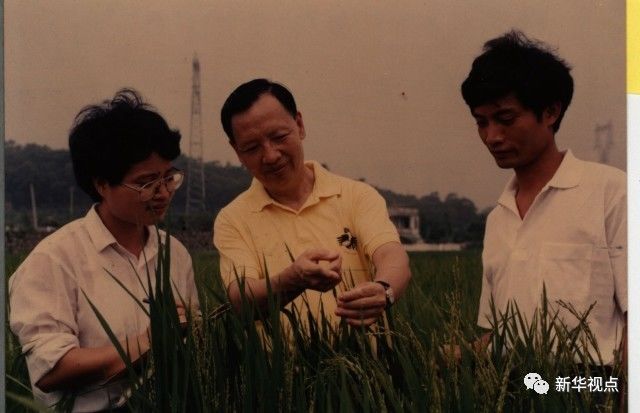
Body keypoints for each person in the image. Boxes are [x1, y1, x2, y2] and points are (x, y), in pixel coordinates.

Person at [9, 89, 199, 412]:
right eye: (146, 182)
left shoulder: (174, 253)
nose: (163, 193)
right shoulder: (54, 259)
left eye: (169, 178)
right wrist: (150, 341)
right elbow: (51, 368)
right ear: (101, 184)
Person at [460, 31, 626, 366]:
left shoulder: (611, 192)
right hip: (519, 388)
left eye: (505, 119)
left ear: (550, 112)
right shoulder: (498, 219)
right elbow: (501, 335)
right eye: (482, 122)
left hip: (591, 388)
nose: (492, 136)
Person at [214, 79, 411, 330]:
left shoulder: (356, 195)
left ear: (299, 125)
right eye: (252, 147)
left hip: (368, 364)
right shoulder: (232, 219)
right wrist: (292, 280)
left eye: (279, 137)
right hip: (279, 369)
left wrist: (383, 290)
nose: (271, 155)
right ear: (236, 151)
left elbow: (392, 256)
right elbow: (240, 298)